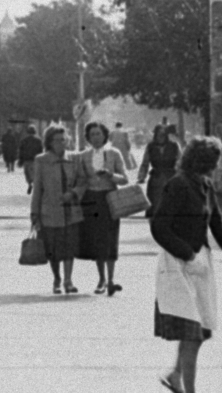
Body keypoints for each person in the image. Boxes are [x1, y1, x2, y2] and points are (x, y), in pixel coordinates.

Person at [150, 136, 222, 393]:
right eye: (215, 160)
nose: (218, 165)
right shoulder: (178, 185)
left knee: (200, 329)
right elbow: (159, 226)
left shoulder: (205, 186)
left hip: (199, 264)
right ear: (205, 161)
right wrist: (185, 252)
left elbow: (217, 225)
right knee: (191, 331)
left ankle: (176, 374)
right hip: (177, 264)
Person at [74, 122, 130, 296]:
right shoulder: (83, 156)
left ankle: (112, 279)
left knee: (110, 237)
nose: (95, 138)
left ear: (105, 135)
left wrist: (110, 175)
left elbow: (125, 179)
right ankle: (101, 279)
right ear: (88, 138)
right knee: (96, 238)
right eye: (92, 135)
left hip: (109, 199)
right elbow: (80, 180)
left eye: (98, 134)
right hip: (91, 199)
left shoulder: (114, 153)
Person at [30, 126, 87, 295]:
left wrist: (74, 193)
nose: (61, 143)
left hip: (71, 210)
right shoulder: (41, 160)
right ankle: (57, 278)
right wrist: (34, 213)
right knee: (53, 249)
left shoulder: (75, 159)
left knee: (69, 246)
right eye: (57, 140)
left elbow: (82, 181)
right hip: (50, 210)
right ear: (49, 142)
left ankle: (68, 280)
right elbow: (37, 188)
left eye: (63, 139)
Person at [139, 123, 180, 216]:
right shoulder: (150, 147)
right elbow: (145, 163)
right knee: (156, 205)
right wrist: (142, 176)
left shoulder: (174, 146)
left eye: (163, 135)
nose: (160, 137)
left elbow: (180, 162)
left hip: (171, 177)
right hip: (156, 178)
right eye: (158, 135)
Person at [17, 125, 44, 193]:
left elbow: (21, 151)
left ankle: (29, 184)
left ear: (28, 132)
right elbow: (41, 151)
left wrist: (20, 160)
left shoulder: (24, 141)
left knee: (27, 173)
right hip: (35, 160)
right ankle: (35, 186)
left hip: (26, 160)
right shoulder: (38, 141)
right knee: (35, 174)